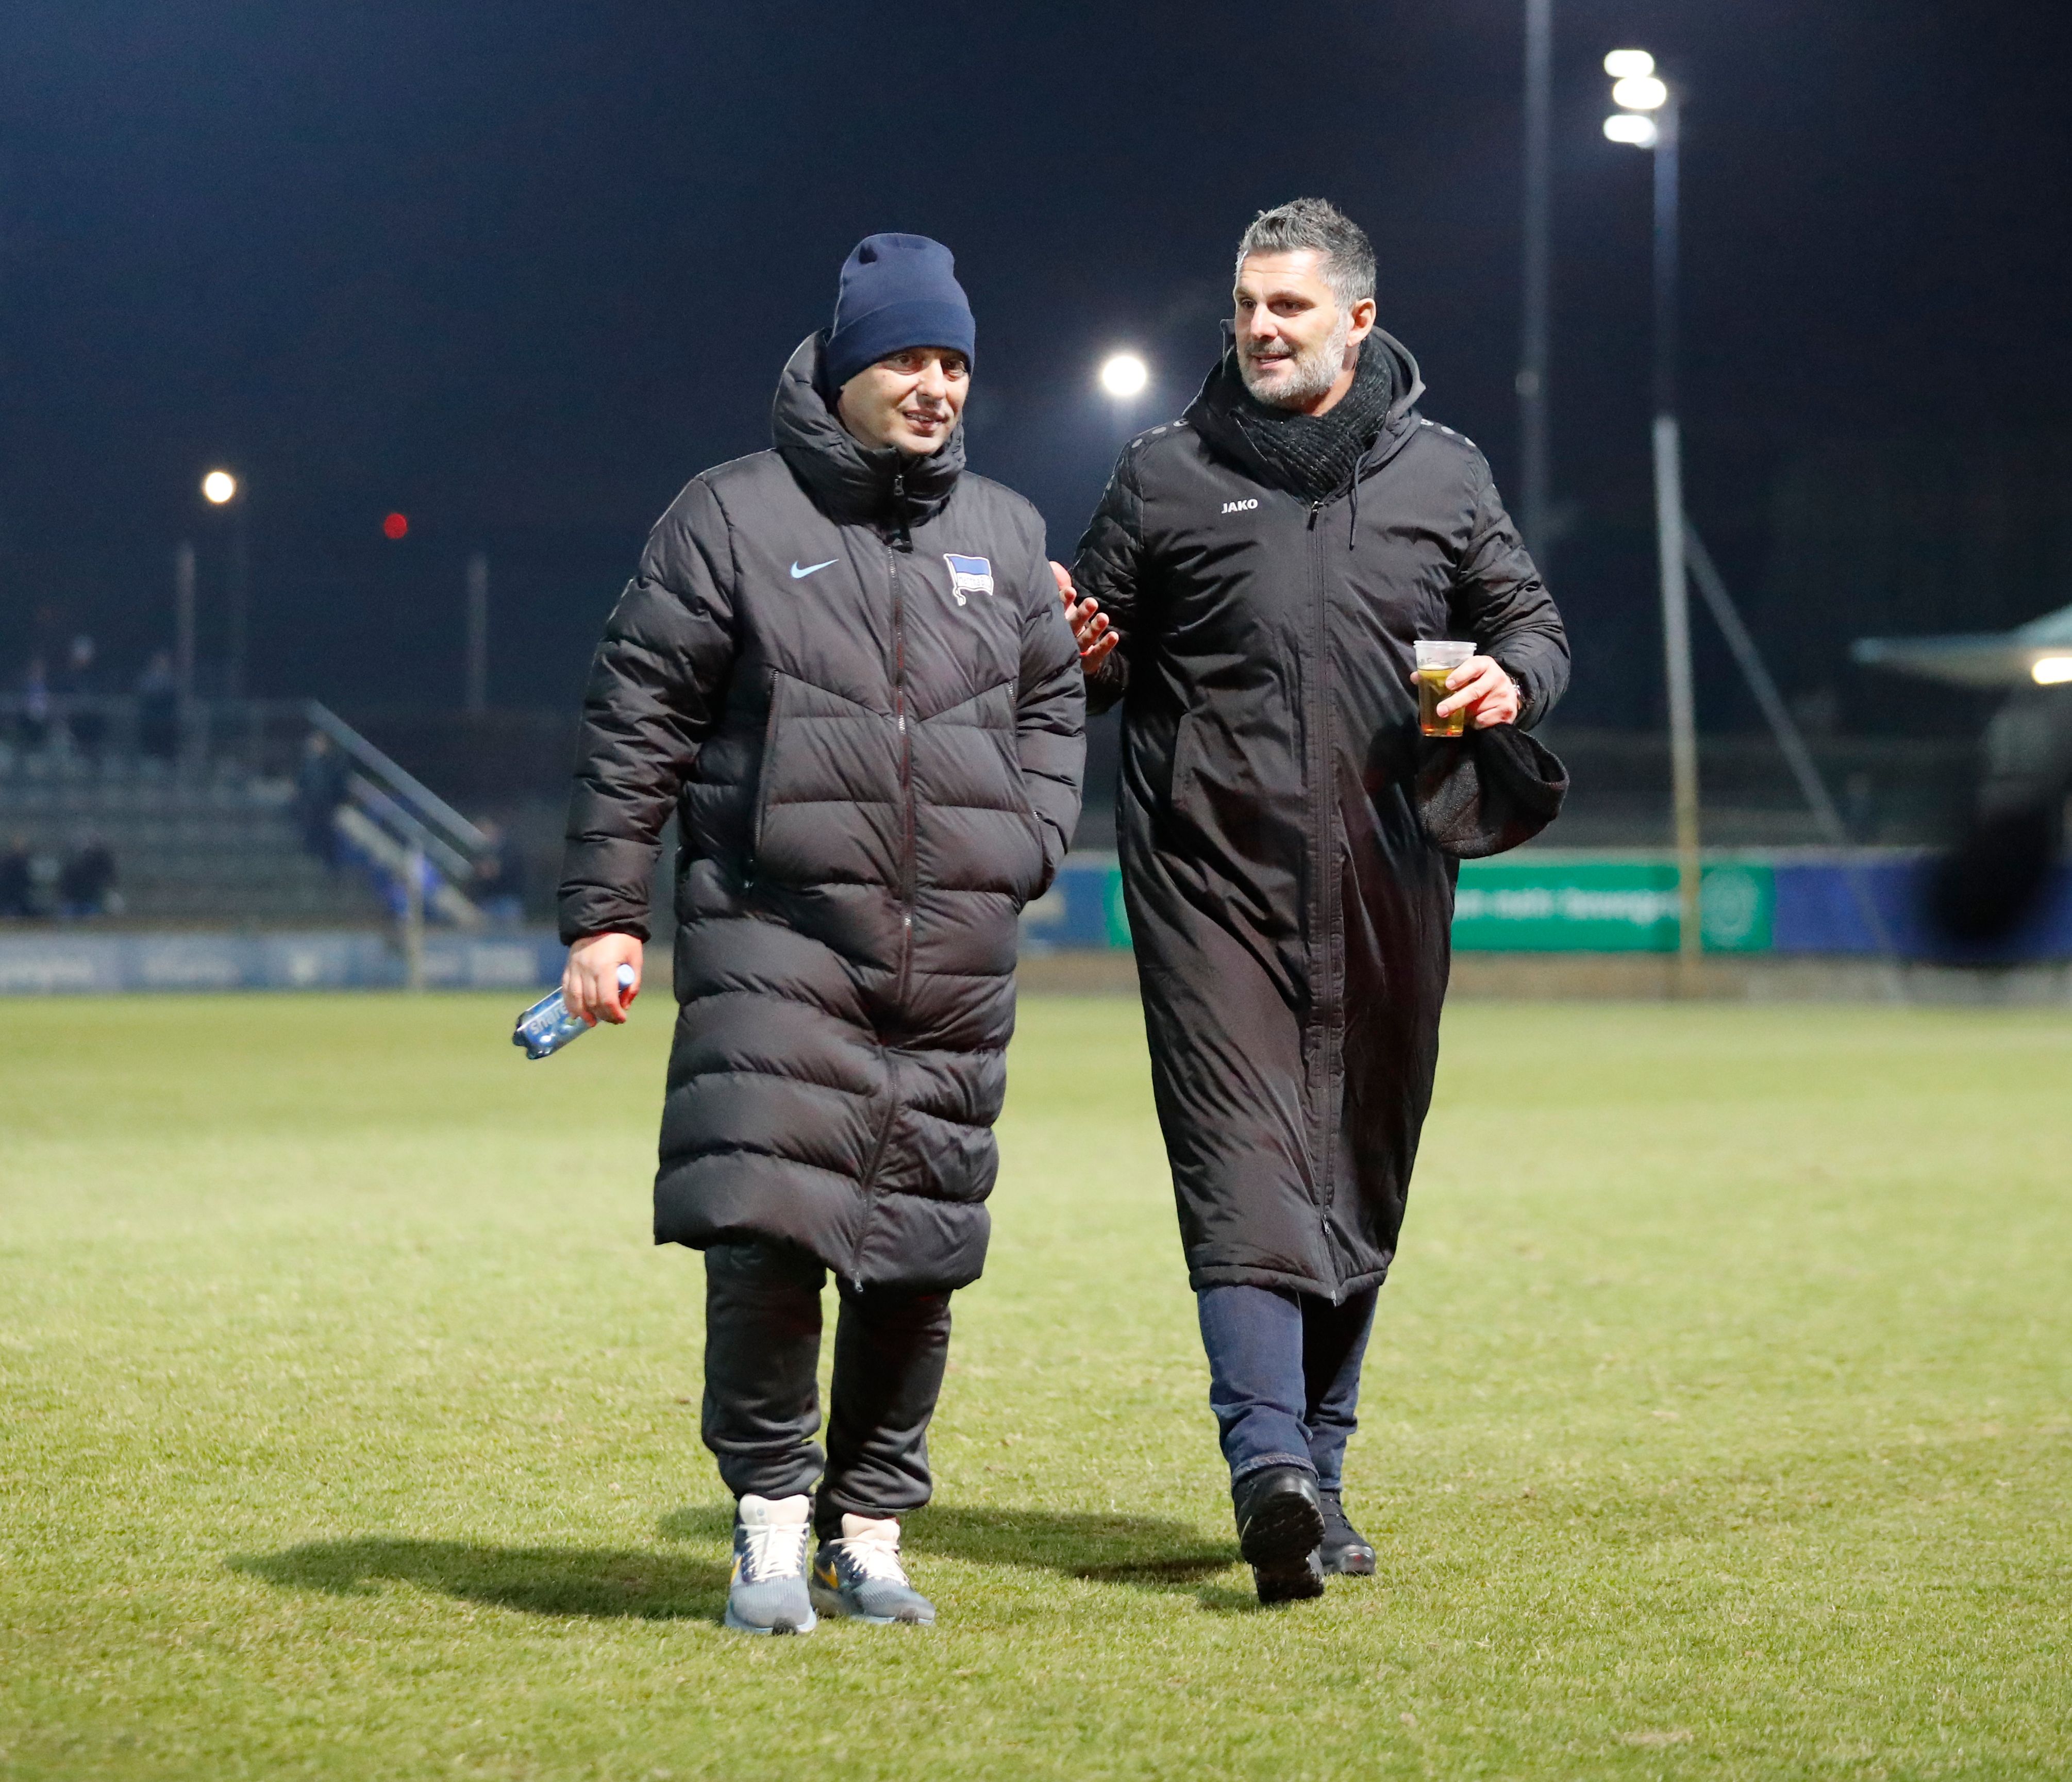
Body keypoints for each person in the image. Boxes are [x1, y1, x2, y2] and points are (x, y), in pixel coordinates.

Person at [557, 234, 1085, 1636]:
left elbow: (1052, 702)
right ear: (843, 367)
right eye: (908, 356)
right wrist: (605, 913)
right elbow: (636, 722)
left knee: (918, 1252)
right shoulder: (726, 516)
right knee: (769, 1237)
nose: (936, 385)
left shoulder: (1007, 532)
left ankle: (871, 1528)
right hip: (772, 935)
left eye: (954, 361)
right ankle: (771, 1523)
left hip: (950, 952)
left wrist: (1027, 837)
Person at [1063, 199, 1569, 1604]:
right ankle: (1267, 1464)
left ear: (1356, 318)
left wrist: (1510, 679)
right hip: (1207, 881)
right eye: (1245, 303)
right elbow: (1093, 652)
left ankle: (1323, 1473)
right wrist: (1080, 652)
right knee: (1241, 1162)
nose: (1260, 327)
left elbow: (1530, 624)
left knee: (1360, 1162)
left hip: (1390, 873)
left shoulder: (1443, 474)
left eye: (1287, 305)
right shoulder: (1163, 473)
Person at [293, 731, 350, 866]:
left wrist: (338, 800)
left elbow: (339, 784)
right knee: (312, 828)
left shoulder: (334, 763)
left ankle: (328, 860)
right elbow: (302, 782)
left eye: (321, 743)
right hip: (311, 804)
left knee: (327, 832)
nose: (319, 746)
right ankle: (313, 854)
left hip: (327, 804)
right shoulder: (310, 763)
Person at [136, 652, 179, 761]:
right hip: (150, 718)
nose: (162, 664)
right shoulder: (146, 679)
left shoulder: (172, 680)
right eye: (159, 661)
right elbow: (144, 696)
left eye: (164, 661)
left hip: (167, 718)